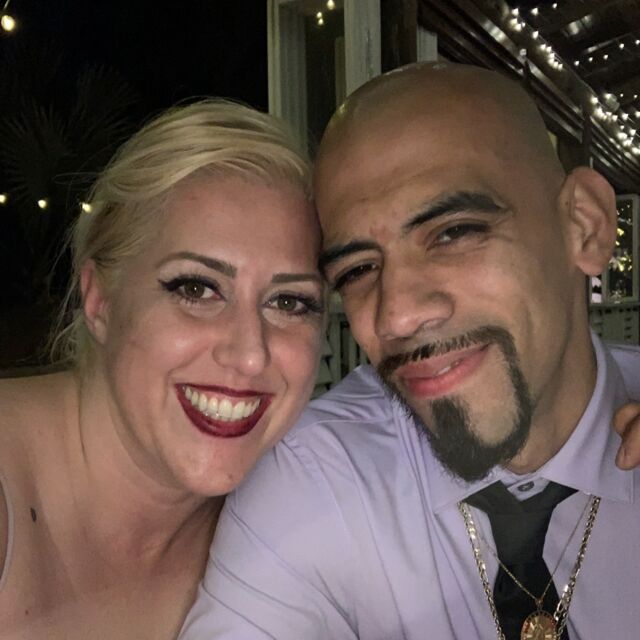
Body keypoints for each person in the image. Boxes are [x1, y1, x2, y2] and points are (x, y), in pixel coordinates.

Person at [180, 64, 640, 639]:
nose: (395, 315)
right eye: (358, 269)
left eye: (453, 233)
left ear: (586, 227)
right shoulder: (315, 481)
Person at [0, 99, 325, 638]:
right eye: (196, 288)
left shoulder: (288, 527)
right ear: (99, 299)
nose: (250, 354)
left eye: (289, 302)